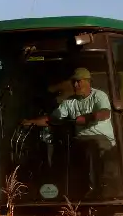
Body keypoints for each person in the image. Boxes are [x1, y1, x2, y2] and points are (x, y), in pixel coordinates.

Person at [22, 67, 117, 197]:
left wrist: (87, 118)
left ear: (88, 81)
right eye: (73, 82)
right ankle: (61, 192)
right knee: (61, 148)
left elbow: (105, 113)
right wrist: (32, 122)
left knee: (90, 146)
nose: (75, 85)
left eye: (79, 81)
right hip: (80, 140)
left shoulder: (99, 96)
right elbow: (52, 119)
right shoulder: (69, 102)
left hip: (102, 139)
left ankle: (93, 191)